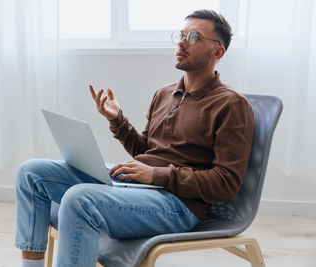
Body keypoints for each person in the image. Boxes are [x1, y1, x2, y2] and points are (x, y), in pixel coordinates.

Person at [15, 9, 254, 267]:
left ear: (217, 52)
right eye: (181, 35)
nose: (182, 42)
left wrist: (156, 176)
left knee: (79, 199)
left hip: (178, 204)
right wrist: (117, 120)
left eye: (194, 37)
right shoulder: (164, 93)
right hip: (142, 189)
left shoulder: (231, 104)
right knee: (31, 172)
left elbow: (226, 183)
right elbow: (146, 150)